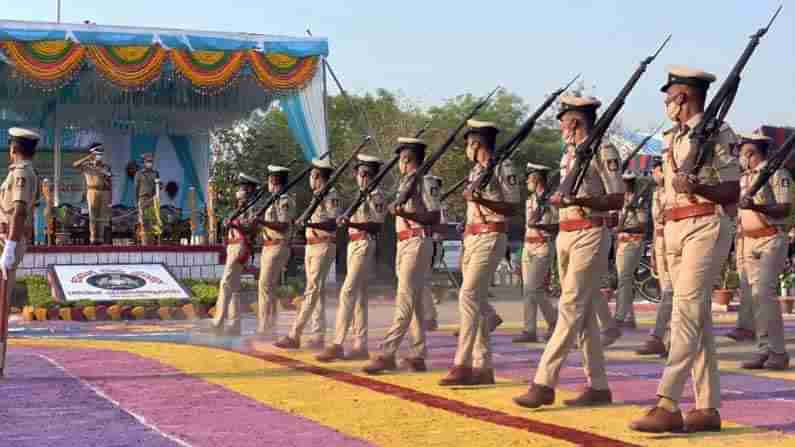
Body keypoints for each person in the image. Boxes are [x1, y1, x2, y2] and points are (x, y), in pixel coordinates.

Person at [631, 66, 739, 433]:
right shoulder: (671, 137)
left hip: (705, 224)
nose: (666, 104)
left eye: (669, 97)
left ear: (683, 97)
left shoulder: (719, 133)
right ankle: (707, 407)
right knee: (697, 320)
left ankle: (668, 402)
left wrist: (699, 186)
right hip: (676, 228)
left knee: (686, 314)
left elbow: (732, 191)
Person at [513, 96, 624, 408]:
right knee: (584, 313)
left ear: (574, 122)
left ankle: (544, 381)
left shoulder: (603, 149)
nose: (560, 127)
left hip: (590, 232)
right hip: (566, 233)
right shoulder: (570, 154)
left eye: (563, 120)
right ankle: (598, 386)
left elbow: (617, 198)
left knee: (570, 306)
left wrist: (579, 200)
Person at [439, 119, 520, 386]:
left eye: (469, 144)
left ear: (477, 145)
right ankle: (483, 366)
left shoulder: (502, 168)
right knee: (474, 302)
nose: (467, 150)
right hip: (473, 238)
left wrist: (480, 198)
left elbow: (512, 207)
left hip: (491, 235)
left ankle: (462, 364)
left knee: (469, 295)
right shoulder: (476, 171)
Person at [363, 137, 440, 374]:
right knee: (414, 302)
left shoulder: (424, 181)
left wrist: (407, 214)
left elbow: (434, 218)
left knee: (404, 299)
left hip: (416, 241)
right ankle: (417, 354)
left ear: (406, 159)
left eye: (401, 158)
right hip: (405, 242)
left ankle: (387, 352)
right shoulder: (407, 182)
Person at [317, 154, 386, 362]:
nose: (362, 177)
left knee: (347, 292)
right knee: (358, 297)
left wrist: (350, 223)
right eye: (359, 173)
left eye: (366, 174)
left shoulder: (376, 196)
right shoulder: (361, 195)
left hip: (364, 243)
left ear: (373, 176)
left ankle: (338, 343)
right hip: (353, 244)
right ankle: (360, 344)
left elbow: (377, 225)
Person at [736, 133, 791, 370]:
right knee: (756, 299)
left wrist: (756, 205)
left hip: (771, 238)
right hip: (749, 241)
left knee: (766, 296)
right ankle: (763, 348)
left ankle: (778, 352)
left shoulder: (777, 174)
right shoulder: (745, 178)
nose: (740, 157)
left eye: (742, 152)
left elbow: (784, 208)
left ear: (751, 153)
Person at [275, 158, 340, 350]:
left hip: (323, 244)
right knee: (317, 291)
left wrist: (310, 224)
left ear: (318, 177)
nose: (310, 179)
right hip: (312, 245)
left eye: (312, 176)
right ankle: (318, 333)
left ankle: (295, 333)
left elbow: (333, 223)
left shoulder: (330, 195)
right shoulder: (318, 194)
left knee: (312, 290)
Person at [0, 128, 40, 377]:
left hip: (6, 241)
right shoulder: (19, 172)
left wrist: (11, 248)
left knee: (1, 302)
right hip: (5, 239)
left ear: (14, 149)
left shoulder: (22, 173)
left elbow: (19, 211)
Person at [207, 173, 260, 336]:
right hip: (233, 245)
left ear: (249, 189)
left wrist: (234, 225)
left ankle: (218, 321)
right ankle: (234, 324)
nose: (238, 191)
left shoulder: (253, 207)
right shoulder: (240, 206)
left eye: (242, 187)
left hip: (241, 246)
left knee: (226, 283)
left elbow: (252, 228)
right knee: (234, 288)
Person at [513, 162, 558, 344]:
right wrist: (520, 252)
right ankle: (529, 329)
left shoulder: (551, 200)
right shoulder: (531, 200)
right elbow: (527, 227)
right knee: (527, 291)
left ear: (537, 178)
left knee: (533, 288)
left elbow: (557, 226)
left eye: (529, 177)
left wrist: (539, 225)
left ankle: (554, 321)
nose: (527, 181)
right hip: (528, 246)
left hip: (543, 246)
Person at [637, 157, 672, 356]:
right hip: (661, 242)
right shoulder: (656, 193)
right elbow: (655, 225)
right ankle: (665, 339)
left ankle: (660, 338)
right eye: (653, 171)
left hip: (674, 238)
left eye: (657, 170)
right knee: (667, 293)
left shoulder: (674, 191)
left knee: (671, 293)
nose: (654, 174)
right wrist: (654, 253)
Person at [256, 165, 294, 335]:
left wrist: (261, 222)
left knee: (265, 285)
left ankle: (266, 326)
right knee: (267, 287)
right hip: (269, 246)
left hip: (277, 246)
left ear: (276, 180)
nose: (268, 182)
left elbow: (283, 226)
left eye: (270, 178)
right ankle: (269, 325)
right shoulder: (274, 199)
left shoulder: (284, 200)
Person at [613, 171, 650, 328]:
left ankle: (620, 316)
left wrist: (625, 228)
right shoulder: (621, 199)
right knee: (625, 280)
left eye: (628, 182)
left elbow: (642, 226)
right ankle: (629, 317)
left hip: (632, 243)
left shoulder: (638, 200)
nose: (625, 184)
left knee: (624, 279)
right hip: (621, 243)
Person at [73, 143, 111, 245]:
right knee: (93, 216)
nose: (100, 156)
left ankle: (101, 239)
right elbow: (75, 165)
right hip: (92, 191)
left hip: (104, 191)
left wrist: (110, 198)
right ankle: (93, 239)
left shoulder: (106, 166)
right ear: (92, 153)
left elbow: (110, 182)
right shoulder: (87, 165)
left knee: (102, 217)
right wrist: (88, 157)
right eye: (98, 153)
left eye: (101, 154)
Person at [422, 175, 445, 331]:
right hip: (430, 243)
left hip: (432, 243)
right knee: (422, 281)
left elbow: (440, 228)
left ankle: (430, 317)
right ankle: (428, 316)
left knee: (422, 281)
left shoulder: (438, 206)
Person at [134, 153, 159, 245]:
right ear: (144, 162)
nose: (150, 163)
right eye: (148, 161)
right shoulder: (138, 174)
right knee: (143, 222)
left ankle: (151, 244)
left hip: (152, 199)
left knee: (152, 221)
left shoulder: (155, 173)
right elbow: (136, 189)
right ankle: (144, 244)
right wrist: (137, 202)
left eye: (151, 161)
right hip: (142, 199)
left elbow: (157, 187)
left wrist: (160, 185)